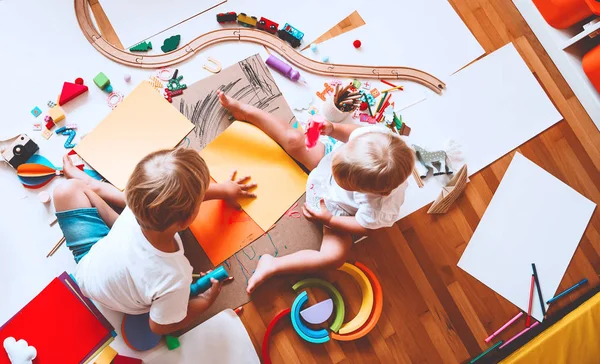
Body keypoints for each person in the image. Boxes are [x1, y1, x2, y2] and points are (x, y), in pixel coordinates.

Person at [217, 91, 415, 294]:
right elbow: (351, 132)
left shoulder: (380, 206)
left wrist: (330, 219)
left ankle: (273, 265)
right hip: (324, 163)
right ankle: (246, 112)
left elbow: (363, 226)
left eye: (345, 183)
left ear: (373, 192)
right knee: (294, 139)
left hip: (338, 210)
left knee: (333, 257)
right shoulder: (374, 139)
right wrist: (333, 129)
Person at [53, 148, 256, 334]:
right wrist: (204, 301)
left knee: (66, 191)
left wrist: (224, 190)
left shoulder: (138, 207)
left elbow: (185, 199)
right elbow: (158, 326)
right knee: (161, 294)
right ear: (186, 220)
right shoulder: (175, 276)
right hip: (108, 279)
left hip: (99, 261)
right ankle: (88, 186)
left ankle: (86, 184)